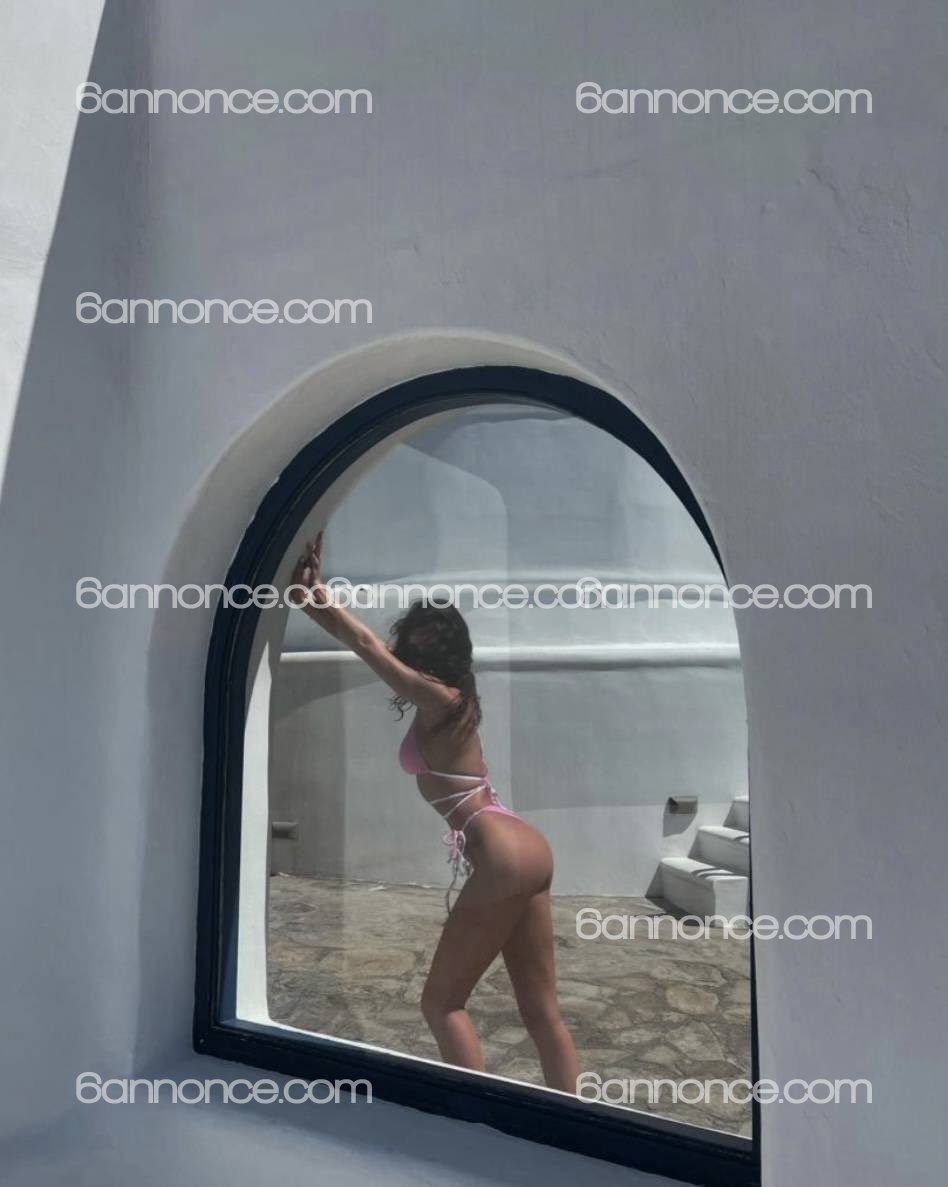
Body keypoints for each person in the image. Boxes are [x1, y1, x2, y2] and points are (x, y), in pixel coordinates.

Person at [289, 533, 579, 1091]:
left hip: (502, 852)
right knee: (542, 1012)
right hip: (527, 847)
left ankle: (476, 1120)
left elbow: (368, 646)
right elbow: (371, 647)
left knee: (442, 1004)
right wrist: (310, 600)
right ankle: (581, 1123)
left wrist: (318, 596)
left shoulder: (441, 700)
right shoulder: (456, 698)